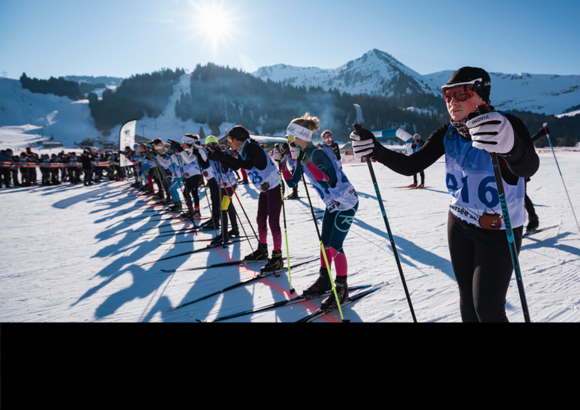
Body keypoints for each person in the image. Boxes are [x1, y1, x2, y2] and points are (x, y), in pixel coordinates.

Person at [351, 67, 540, 322]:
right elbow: (411, 166)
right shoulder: (447, 132)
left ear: (482, 94)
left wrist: (512, 147)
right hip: (459, 223)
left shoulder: (507, 124)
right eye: (447, 95)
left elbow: (529, 167)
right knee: (466, 298)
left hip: (499, 228)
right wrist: (377, 150)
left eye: (461, 93)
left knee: (487, 308)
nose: (452, 101)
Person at [279, 113, 359, 312]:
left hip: (346, 202)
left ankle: (341, 288)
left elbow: (328, 180)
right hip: (333, 204)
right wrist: (282, 163)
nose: (289, 142)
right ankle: (324, 280)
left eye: (290, 138)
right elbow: (291, 182)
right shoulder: (303, 156)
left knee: (334, 246)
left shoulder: (318, 154)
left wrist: (305, 160)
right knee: (324, 244)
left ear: (301, 136)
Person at [210, 126, 285, 272]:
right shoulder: (244, 149)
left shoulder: (252, 147)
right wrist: (220, 158)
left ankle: (277, 256)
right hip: (266, 189)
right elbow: (237, 167)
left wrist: (224, 157)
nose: (230, 143)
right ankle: (262, 249)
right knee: (260, 218)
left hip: (275, 187)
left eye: (231, 140)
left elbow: (247, 165)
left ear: (239, 139)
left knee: (273, 222)